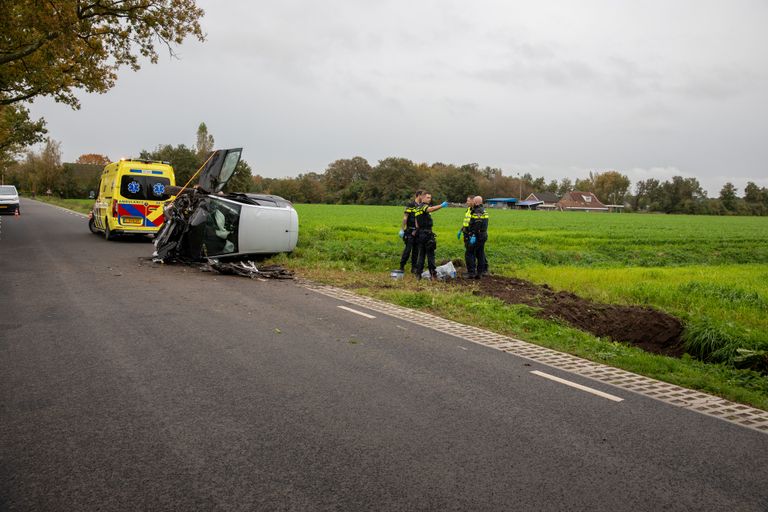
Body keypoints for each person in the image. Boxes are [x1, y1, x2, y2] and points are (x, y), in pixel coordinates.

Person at [413, 192, 449, 279]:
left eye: (430, 197)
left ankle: (418, 274)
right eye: (428, 197)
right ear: (423, 198)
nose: (430, 199)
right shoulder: (424, 206)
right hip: (427, 234)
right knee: (430, 255)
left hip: (420, 233)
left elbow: (416, 222)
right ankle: (433, 274)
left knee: (421, 254)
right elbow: (431, 209)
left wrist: (418, 230)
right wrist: (441, 205)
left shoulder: (417, 208)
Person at [398, 190, 422, 272]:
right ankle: (401, 266)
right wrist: (402, 229)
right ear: (418, 195)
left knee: (416, 251)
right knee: (408, 250)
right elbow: (405, 218)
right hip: (409, 231)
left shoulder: (422, 206)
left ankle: (414, 268)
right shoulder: (410, 205)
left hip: (418, 232)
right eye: (422, 196)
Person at [465, 195, 489, 279]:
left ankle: (471, 273)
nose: (473, 203)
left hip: (477, 235)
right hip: (483, 234)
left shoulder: (477, 211)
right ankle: (480, 273)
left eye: (474, 201)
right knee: (480, 253)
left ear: (477, 202)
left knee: (469, 253)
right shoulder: (484, 211)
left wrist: (473, 235)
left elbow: (477, 225)